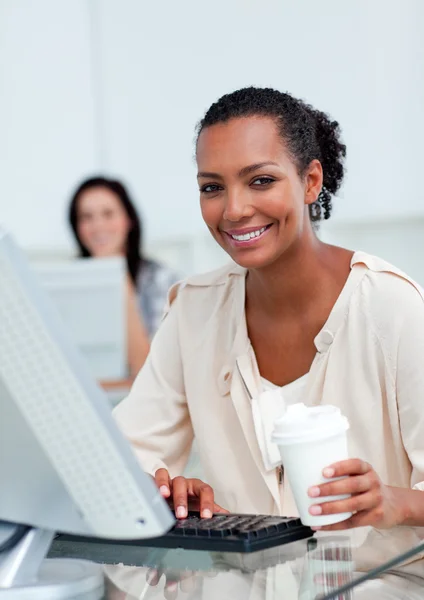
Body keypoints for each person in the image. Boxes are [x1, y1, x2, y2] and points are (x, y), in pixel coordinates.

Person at [113, 87, 424, 533]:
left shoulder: (391, 307)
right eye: (212, 187)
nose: (235, 209)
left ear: (310, 181)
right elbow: (121, 458)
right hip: (245, 582)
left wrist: (395, 502)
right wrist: (162, 489)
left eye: (261, 180)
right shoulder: (195, 311)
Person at [68, 176, 179, 377]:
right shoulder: (68, 283)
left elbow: (149, 373)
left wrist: (117, 276)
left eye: (108, 214)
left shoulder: (162, 280)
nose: (98, 225)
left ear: (128, 220)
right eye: (86, 217)